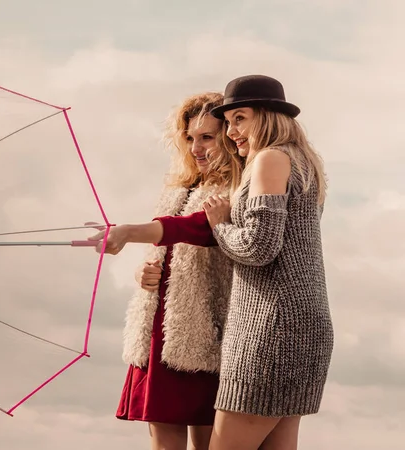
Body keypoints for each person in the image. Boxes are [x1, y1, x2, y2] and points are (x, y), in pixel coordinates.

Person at [91, 92, 242, 450]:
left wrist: (128, 231)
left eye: (207, 137)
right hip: (159, 329)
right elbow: (167, 250)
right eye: (190, 138)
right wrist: (144, 274)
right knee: (163, 441)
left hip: (208, 327)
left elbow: (199, 229)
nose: (196, 147)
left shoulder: (238, 188)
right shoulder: (179, 188)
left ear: (229, 136)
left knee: (211, 439)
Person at [191, 74, 333, 450]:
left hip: (270, 327)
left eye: (241, 118)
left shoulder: (270, 159)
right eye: (229, 122)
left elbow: (259, 247)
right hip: (305, 323)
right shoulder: (305, 162)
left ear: (268, 116)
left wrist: (220, 225)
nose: (231, 131)